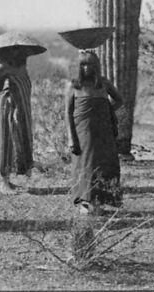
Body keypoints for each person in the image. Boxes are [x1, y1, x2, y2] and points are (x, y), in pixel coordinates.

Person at [65, 50, 123, 214]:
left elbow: (119, 100)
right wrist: (71, 139)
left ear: (96, 66)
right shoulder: (73, 85)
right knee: (85, 164)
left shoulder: (104, 84)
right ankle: (85, 203)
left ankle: (98, 201)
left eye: (90, 64)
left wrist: (106, 111)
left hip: (103, 131)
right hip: (83, 133)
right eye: (82, 64)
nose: (86, 68)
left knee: (104, 164)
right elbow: (68, 113)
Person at [0, 47, 34, 194]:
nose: (20, 53)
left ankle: (8, 180)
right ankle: (3, 183)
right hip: (5, 106)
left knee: (15, 141)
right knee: (4, 141)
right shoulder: (1, 65)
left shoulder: (22, 66)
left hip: (19, 108)